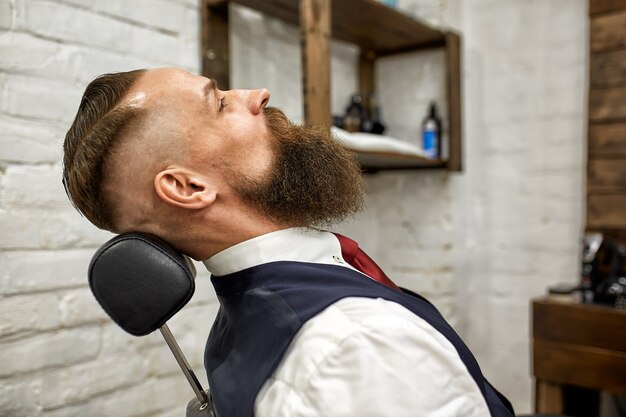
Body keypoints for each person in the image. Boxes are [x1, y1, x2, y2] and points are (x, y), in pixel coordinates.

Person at [63, 67, 514, 417]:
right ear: (188, 187)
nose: (257, 94)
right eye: (220, 103)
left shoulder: (239, 326)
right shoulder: (354, 344)